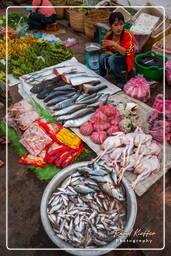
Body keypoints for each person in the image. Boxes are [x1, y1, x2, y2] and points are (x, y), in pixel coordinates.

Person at [99, 12, 134, 89]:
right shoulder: (108, 36)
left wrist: (114, 45)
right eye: (116, 25)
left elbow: (126, 52)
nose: (119, 28)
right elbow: (104, 50)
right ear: (111, 26)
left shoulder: (128, 35)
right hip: (114, 59)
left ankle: (121, 80)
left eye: (121, 24)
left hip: (125, 61)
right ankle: (102, 74)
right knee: (102, 56)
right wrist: (111, 53)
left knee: (112, 59)